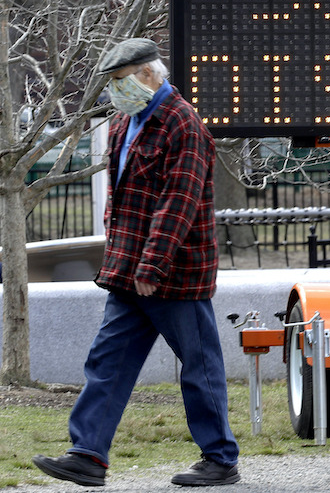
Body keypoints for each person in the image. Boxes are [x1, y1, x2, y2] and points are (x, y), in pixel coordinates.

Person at [33, 38, 240, 488]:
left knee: (199, 366)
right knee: (107, 362)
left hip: (173, 274)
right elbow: (123, 202)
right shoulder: (127, 122)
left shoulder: (183, 124)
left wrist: (151, 267)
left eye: (119, 81)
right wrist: (127, 266)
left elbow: (177, 204)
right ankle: (87, 455)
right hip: (130, 273)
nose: (114, 91)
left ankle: (221, 459)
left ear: (148, 74)